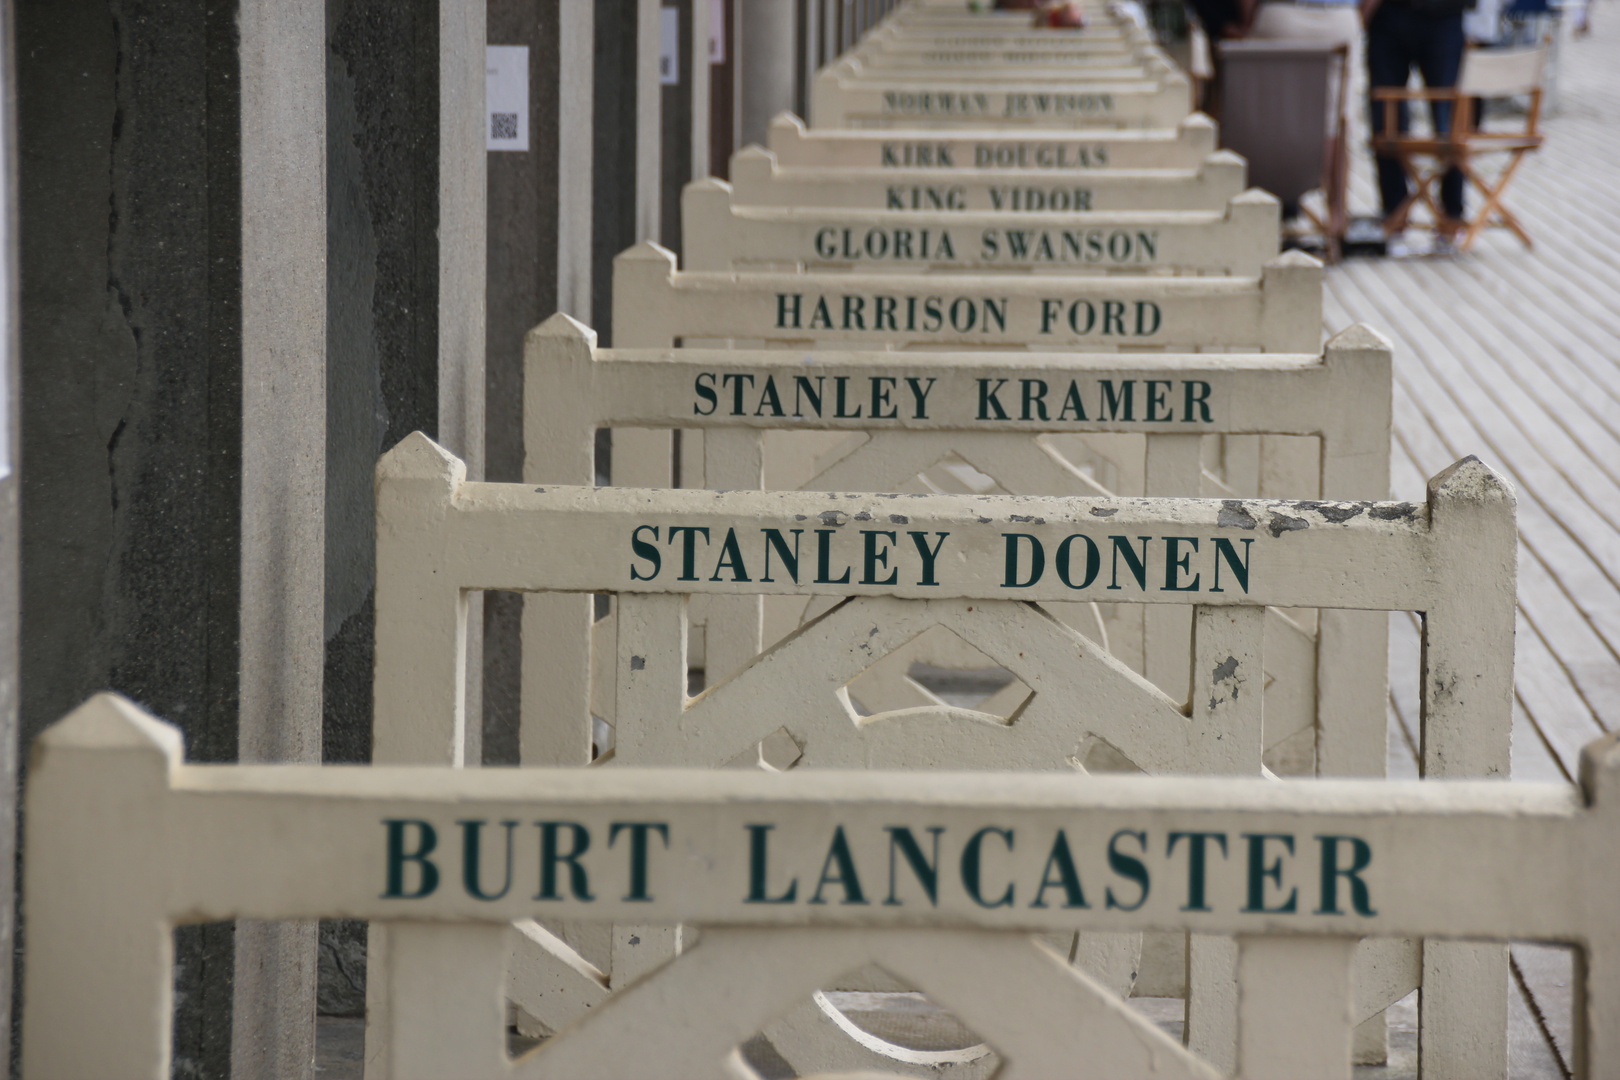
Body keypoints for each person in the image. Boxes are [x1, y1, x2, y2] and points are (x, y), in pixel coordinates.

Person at [1363, 0, 1475, 243]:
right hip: (1388, 15)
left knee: (1449, 119)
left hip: (1444, 14)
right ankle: (1394, 211)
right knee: (1386, 118)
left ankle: (1452, 213)